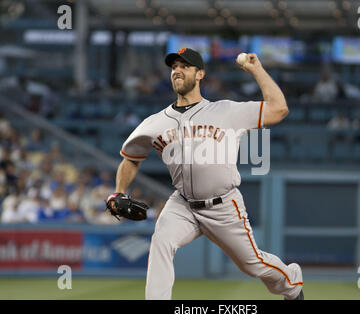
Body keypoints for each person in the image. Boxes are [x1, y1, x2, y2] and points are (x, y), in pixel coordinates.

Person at [106, 48, 304, 300]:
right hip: (182, 204)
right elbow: (131, 159)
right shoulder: (154, 122)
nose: (177, 70)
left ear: (200, 74)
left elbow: (279, 109)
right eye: (174, 66)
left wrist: (256, 69)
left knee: (252, 264)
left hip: (223, 205)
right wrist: (119, 191)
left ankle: (292, 284)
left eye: (184, 66)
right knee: (161, 242)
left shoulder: (227, 111)